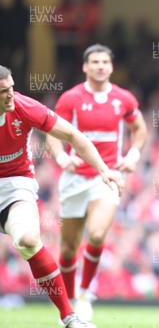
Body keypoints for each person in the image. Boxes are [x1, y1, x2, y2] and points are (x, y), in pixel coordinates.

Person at [0, 65, 124, 328]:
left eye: (11, 88)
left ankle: (69, 317)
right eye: (3, 92)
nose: (11, 95)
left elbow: (72, 134)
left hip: (14, 184)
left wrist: (104, 170)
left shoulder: (24, 107)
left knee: (29, 239)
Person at [45, 44, 147, 323]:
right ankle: (68, 309)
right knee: (67, 249)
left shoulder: (122, 98)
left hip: (108, 176)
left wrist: (134, 154)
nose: (101, 66)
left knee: (98, 235)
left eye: (105, 61)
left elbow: (140, 129)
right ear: (85, 66)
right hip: (75, 178)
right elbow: (51, 132)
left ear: (111, 67)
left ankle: (85, 294)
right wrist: (61, 158)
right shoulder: (71, 98)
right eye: (95, 62)